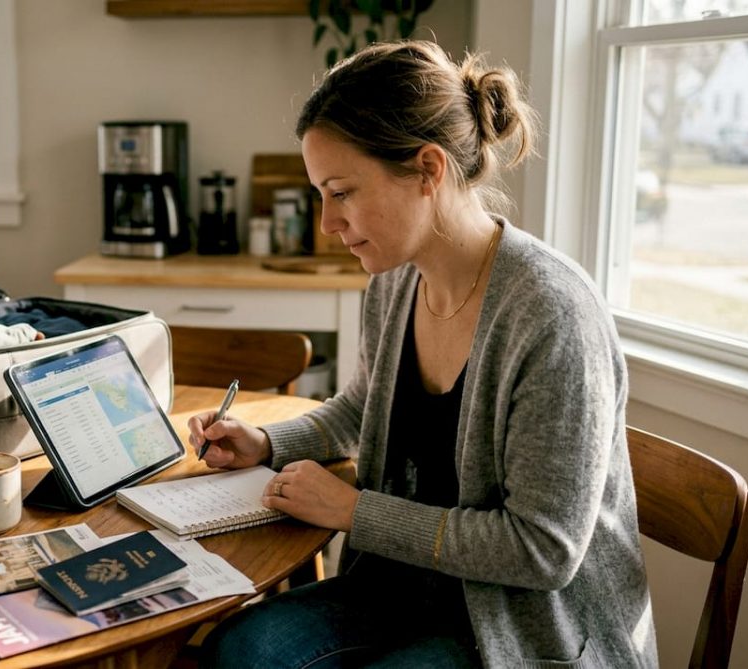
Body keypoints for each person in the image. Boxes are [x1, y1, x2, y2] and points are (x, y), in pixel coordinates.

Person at [190, 40, 658, 668]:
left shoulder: (551, 314)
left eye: (341, 192)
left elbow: (543, 550)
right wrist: (267, 443)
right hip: (403, 587)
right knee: (238, 650)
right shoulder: (395, 278)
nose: (327, 223)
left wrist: (355, 511)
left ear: (428, 170)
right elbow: (363, 406)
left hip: (524, 629)